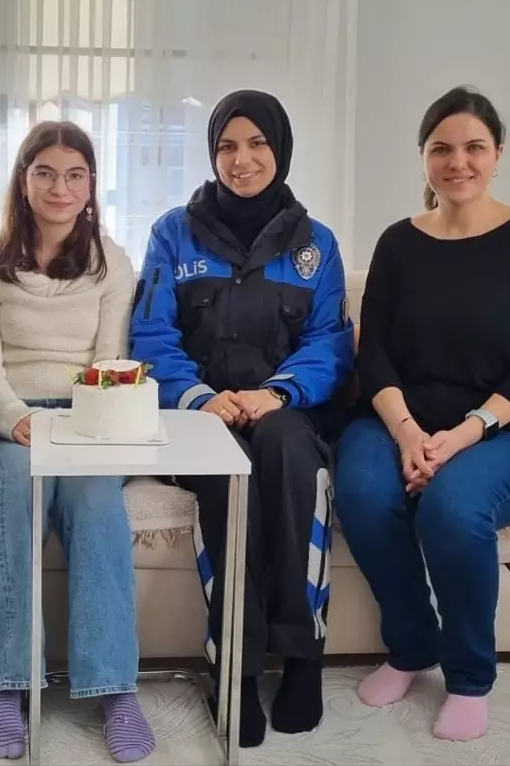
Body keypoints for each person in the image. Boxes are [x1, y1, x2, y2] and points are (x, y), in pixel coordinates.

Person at [332, 86, 510, 742]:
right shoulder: (398, 243)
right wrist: (409, 434)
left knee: (451, 506)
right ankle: (412, 646)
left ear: (498, 154)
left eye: (473, 147)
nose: (457, 162)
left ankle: (469, 678)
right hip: (398, 422)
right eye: (441, 148)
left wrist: (459, 438)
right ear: (423, 157)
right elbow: (374, 355)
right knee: (361, 490)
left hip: (505, 431)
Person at [130, 89, 354, 748]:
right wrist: (201, 397)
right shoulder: (173, 232)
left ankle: (303, 658)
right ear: (211, 153)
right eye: (227, 145)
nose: (241, 159)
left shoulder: (317, 245)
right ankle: (237, 665)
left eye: (257, 144)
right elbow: (152, 336)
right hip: (202, 415)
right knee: (229, 479)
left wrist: (278, 393)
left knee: (287, 455)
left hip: (285, 412)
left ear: (280, 150)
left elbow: (330, 342)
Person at [0, 121, 155, 763]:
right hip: (9, 420)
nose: (60, 187)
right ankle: (8, 684)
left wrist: (81, 427)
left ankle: (114, 687)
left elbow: (110, 361)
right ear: (23, 181)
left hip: (88, 419)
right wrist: (13, 418)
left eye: (75, 175)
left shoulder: (111, 261)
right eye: (45, 173)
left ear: (91, 184)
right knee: (14, 490)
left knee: (96, 502)